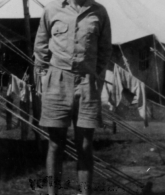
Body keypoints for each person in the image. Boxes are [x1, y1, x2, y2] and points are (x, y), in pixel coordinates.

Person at [34, 0, 112, 194]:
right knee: (55, 142)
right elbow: (41, 47)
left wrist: (92, 74)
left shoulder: (99, 12)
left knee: (85, 144)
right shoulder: (51, 10)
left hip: (87, 83)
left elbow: (105, 50)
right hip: (57, 81)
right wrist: (46, 77)